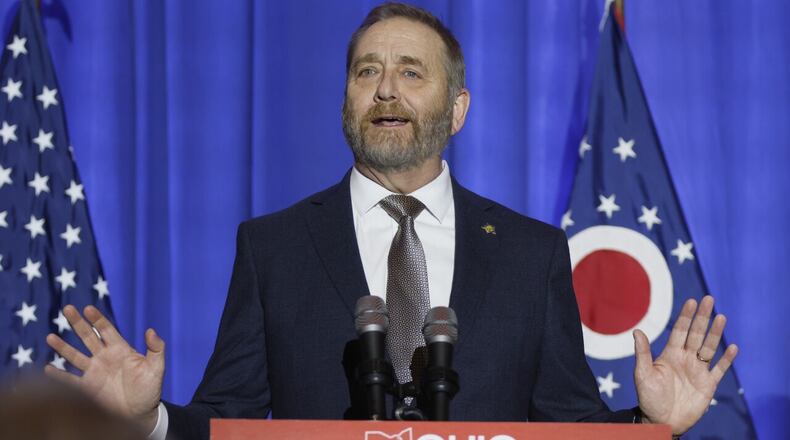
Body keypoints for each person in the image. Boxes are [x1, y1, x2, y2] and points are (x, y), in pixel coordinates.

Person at [45, 3, 738, 439]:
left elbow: (570, 426)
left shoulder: (533, 252)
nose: (385, 90)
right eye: (366, 72)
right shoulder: (274, 247)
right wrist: (149, 421)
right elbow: (229, 415)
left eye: (411, 72)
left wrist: (652, 424)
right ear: (346, 103)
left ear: (457, 108)